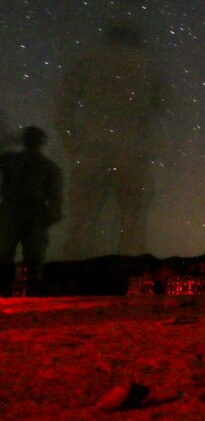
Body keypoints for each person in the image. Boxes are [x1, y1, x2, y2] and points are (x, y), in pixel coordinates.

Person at [54, 19, 167, 258]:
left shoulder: (88, 60)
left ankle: (72, 278)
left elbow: (64, 105)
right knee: (132, 224)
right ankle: (128, 280)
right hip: (132, 152)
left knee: (82, 220)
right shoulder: (147, 65)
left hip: (92, 148)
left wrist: (72, 144)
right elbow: (162, 103)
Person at [0, 126, 63, 295]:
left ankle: (13, 292)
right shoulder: (49, 167)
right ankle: (25, 292)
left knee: (24, 257)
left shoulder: (10, 160)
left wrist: (49, 217)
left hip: (22, 213)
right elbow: (55, 198)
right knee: (21, 257)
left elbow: (56, 198)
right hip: (22, 213)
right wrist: (50, 217)